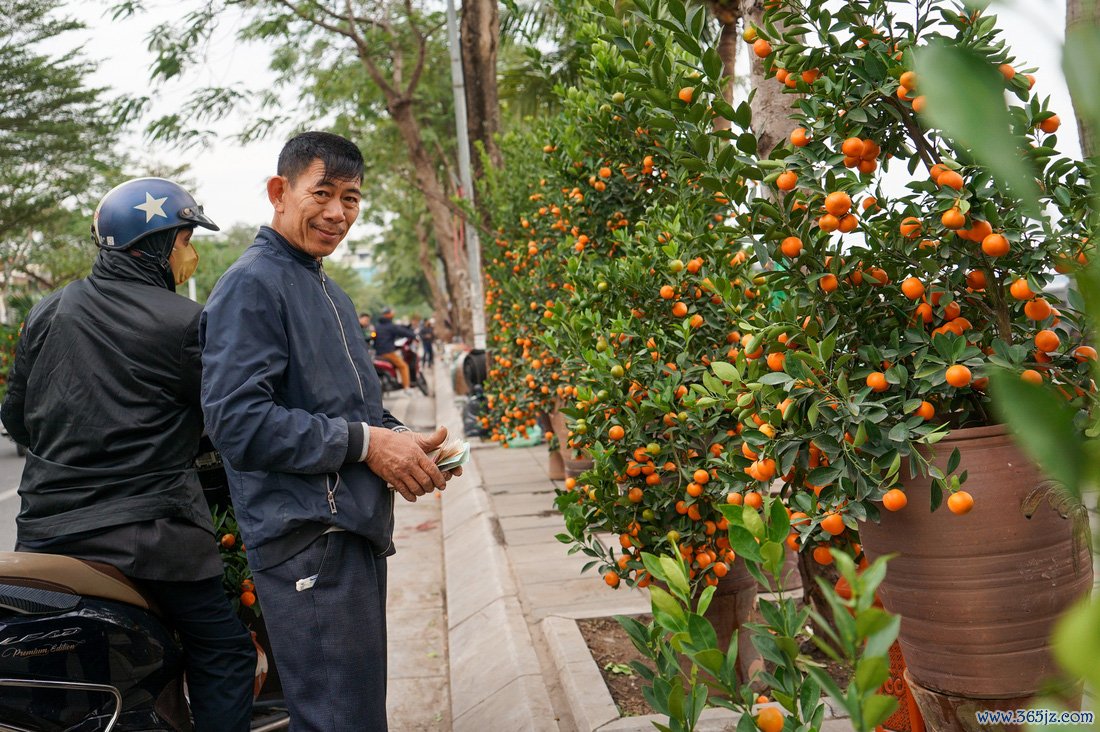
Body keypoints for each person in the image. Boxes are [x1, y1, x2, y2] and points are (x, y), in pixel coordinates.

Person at [199, 131, 461, 731]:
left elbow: (350, 409)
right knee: (338, 719)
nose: (337, 212)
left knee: (355, 714)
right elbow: (238, 423)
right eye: (322, 192)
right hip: (306, 539)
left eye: (351, 197)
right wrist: (371, 444)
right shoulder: (252, 284)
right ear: (279, 192)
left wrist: (406, 442)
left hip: (351, 532)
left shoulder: (329, 291)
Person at [0, 177, 256, 731]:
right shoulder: (185, 323)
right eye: (187, 238)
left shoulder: (47, 312)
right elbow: (224, 421)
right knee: (225, 650)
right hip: (150, 538)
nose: (191, 253)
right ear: (161, 243)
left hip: (45, 531)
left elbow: (15, 417)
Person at [373, 306, 418, 395]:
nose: (393, 314)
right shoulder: (390, 326)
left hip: (379, 353)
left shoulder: (378, 326)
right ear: (388, 314)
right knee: (403, 366)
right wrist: (414, 335)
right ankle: (406, 387)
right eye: (391, 312)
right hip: (388, 352)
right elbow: (402, 332)